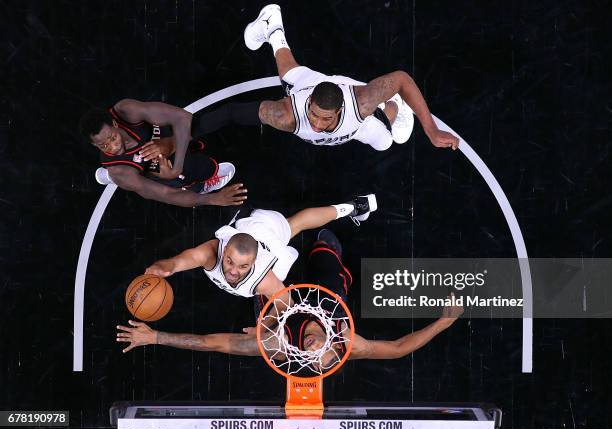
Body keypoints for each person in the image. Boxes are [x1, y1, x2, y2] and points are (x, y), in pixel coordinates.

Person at [117, 229, 463, 365]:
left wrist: (155, 337)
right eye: (319, 354)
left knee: (264, 304)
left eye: (311, 356)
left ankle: (287, 247)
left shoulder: (277, 343)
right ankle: (319, 237)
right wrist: (444, 322)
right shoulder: (344, 341)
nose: (314, 351)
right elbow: (398, 348)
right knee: (327, 247)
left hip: (276, 297)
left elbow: (212, 343)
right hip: (319, 289)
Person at [191, 4, 460, 153]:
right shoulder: (287, 115)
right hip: (309, 85)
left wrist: (430, 128)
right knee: (289, 73)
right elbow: (230, 113)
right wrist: (185, 135)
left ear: (339, 111)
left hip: (356, 111)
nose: (317, 124)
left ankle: (395, 107)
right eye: (314, 115)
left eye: (325, 119)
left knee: (387, 142)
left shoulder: (360, 105)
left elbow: (402, 78)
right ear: (308, 105)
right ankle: (272, 23)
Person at [143, 194, 377, 300]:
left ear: (254, 264)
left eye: (243, 266)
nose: (233, 271)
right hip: (249, 227)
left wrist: (268, 325)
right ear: (224, 253)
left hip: (269, 230)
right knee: (295, 223)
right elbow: (178, 262)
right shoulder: (211, 254)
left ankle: (354, 206)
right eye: (229, 261)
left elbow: (285, 303)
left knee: (296, 224)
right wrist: (162, 267)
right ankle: (355, 206)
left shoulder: (265, 279)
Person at [79, 101, 246, 207]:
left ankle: (179, 157)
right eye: (103, 145)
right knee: (187, 170)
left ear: (115, 124)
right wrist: (212, 199)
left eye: (112, 138)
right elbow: (167, 195)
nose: (112, 147)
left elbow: (182, 118)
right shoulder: (121, 172)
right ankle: (198, 186)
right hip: (150, 170)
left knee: (195, 125)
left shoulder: (125, 111)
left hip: (164, 136)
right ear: (94, 144)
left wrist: (171, 144)